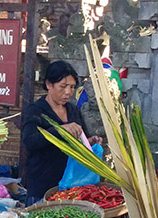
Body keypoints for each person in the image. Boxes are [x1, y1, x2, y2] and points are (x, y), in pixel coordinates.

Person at [21, 60, 101, 205]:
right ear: (48, 85)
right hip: (42, 187)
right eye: (63, 86)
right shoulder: (36, 111)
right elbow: (30, 141)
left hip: (71, 188)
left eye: (71, 87)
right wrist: (59, 130)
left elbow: (82, 137)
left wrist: (89, 142)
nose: (68, 92)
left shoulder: (73, 110)